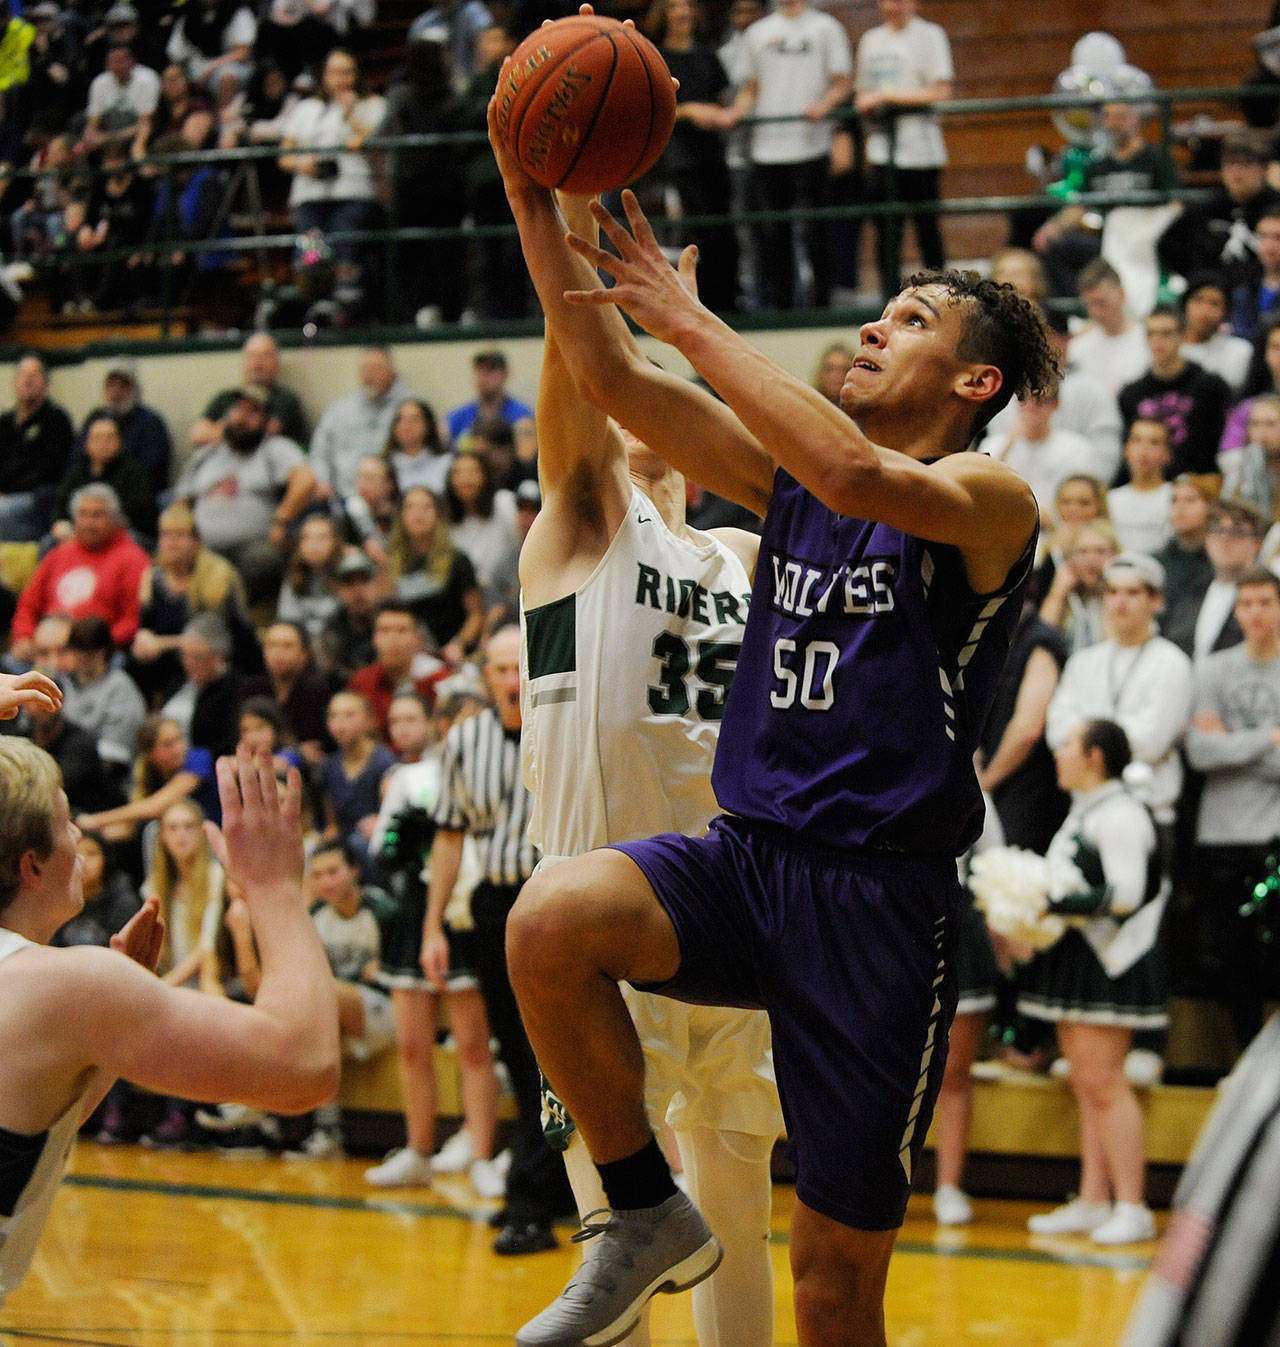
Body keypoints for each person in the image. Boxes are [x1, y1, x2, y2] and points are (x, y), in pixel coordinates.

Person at [487, 87, 1054, 1346]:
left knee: (830, 1287)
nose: (869, 322)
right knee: (548, 919)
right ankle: (639, 1208)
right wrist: (535, 197)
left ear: (973, 378)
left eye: (907, 319)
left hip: (874, 906)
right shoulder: (785, 482)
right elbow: (601, 371)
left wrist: (690, 318)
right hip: (742, 863)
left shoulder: (987, 497)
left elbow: (855, 473)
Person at [508, 185, 780, 1344]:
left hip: (730, 907)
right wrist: (570, 211)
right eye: (621, 419)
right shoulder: (575, 530)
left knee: (734, 1209)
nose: (641, 443)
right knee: (611, 1242)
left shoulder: (745, 552)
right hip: (595, 915)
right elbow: (585, 366)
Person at [0, 727, 340, 1307]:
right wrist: (274, 888)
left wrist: (100, 1040)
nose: (80, 833)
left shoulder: (64, 993)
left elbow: (24, 1138)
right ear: (31, 865)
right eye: (65, 823)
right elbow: (305, 1066)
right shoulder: (65, 986)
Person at [421, 625, 575, 1255]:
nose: (509, 681)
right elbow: (450, 835)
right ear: (483, 676)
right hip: (494, 904)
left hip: (554, 898)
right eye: (498, 671)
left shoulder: (563, 725)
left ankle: (529, 1199)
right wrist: (433, 923)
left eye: (518, 669)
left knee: (546, 1055)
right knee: (517, 1053)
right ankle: (548, 1185)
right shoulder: (466, 741)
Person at [1020, 718, 1166, 1246]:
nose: (1057, 753)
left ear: (1095, 757)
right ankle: (1092, 1198)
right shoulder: (1088, 811)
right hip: (1082, 960)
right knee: (1087, 1086)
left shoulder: (1121, 813)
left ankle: (1132, 1205)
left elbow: (1125, 894)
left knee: (1106, 1085)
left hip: (1113, 964)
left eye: (1067, 745)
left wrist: (1052, 902)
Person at [364, 691, 502, 1193]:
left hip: (469, 915)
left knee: (472, 1045)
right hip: (417, 913)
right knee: (412, 1045)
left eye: (476, 722)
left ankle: (483, 1154)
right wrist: (407, 836)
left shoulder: (496, 775)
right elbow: (383, 848)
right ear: (443, 727)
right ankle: (418, 1150)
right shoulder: (410, 778)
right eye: (459, 723)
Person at [1181, 566, 1280, 1056]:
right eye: (1247, 604)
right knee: (1232, 958)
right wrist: (1268, 738)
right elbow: (1200, 753)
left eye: (1265, 602)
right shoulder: (1213, 669)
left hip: (1273, 835)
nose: (1255, 613)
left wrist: (1232, 743)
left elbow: (1219, 748)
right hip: (1221, 834)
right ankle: (1244, 1060)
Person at [728, 0, 852, 310]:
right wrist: (736, 113)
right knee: (773, 235)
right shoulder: (757, 32)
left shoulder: (826, 28)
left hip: (811, 146)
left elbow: (842, 83)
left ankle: (822, 302)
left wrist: (824, 104)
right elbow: (751, 88)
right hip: (766, 149)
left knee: (816, 231)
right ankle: (782, 303)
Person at [172, 386, 317, 607]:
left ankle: (230, 618)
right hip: (203, 547)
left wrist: (281, 520)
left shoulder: (275, 449)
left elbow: (306, 481)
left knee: (263, 562)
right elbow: (180, 504)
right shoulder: (206, 454)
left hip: (252, 546)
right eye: (238, 410)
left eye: (253, 412)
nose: (242, 418)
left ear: (267, 422)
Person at [855, 0, 953, 296]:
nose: (891, 6)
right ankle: (889, 298)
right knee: (886, 234)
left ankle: (942, 296)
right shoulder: (871, 40)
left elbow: (940, 91)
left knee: (928, 231)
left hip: (921, 150)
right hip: (882, 152)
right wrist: (870, 103)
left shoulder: (930, 35)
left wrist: (889, 98)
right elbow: (862, 93)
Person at [129, 502, 261, 707]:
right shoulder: (154, 578)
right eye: (165, 535)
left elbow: (218, 637)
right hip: (170, 664)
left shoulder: (217, 575)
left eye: (180, 535)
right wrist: (143, 640)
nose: (171, 542)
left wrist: (162, 644)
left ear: (197, 541)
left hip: (218, 662)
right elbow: (146, 626)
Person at [10, 484, 150, 665]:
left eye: (97, 515)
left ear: (115, 519)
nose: (89, 523)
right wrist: (24, 636)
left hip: (96, 654)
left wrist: (87, 647)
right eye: (83, 514)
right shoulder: (58, 554)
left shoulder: (133, 559)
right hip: (44, 649)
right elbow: (28, 604)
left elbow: (131, 621)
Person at [1158, 131, 1280, 298]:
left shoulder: (1275, 207)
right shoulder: (1204, 209)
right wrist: (1198, 279)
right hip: (1213, 296)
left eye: (1246, 164)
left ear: (1265, 169)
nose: (1237, 172)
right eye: (1230, 164)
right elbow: (1167, 246)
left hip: (1265, 296)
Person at [1117, 305, 1232, 480]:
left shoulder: (1210, 387)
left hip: (1198, 485)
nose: (1157, 340)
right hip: (1149, 483)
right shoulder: (1131, 394)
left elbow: (1217, 445)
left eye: (1166, 333)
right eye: (1151, 333)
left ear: (1183, 336)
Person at [384, 488, 485, 662]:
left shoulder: (458, 560)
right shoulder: (391, 562)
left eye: (426, 507)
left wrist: (458, 644)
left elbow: (475, 614)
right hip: (409, 655)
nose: (418, 514)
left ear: (438, 514)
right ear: (401, 515)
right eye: (411, 507)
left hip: (451, 655)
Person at [309, 347, 413, 499]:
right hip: (340, 497)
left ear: (392, 372)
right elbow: (319, 453)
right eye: (365, 369)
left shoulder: (409, 409)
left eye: (376, 369)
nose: (369, 375)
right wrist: (323, 482)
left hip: (394, 499)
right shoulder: (338, 410)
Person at [60, 614, 147, 790]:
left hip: (105, 783)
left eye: (89, 653)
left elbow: (114, 757)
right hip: (62, 767)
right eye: (77, 651)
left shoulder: (121, 689)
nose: (82, 659)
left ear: (103, 652)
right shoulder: (63, 683)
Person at [189, 332, 310, 451]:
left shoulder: (285, 399)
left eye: (265, 356)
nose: (257, 364)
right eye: (252, 356)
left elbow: (259, 433)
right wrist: (238, 428)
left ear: (277, 363)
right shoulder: (226, 397)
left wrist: (220, 428)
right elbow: (197, 435)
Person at [0, 353, 75, 543]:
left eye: (34, 375)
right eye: (23, 374)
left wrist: (7, 493)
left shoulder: (56, 420)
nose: (28, 380)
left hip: (36, 498)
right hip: (5, 495)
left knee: (3, 511)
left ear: (46, 384)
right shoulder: (5, 422)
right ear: (15, 383)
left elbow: (48, 471)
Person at [52, 413, 157, 543]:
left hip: (121, 534)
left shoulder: (133, 472)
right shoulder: (78, 472)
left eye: (109, 438)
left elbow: (142, 514)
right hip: (80, 534)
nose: (103, 443)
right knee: (50, 542)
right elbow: (60, 509)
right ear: (87, 443)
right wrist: (61, 526)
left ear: (119, 442)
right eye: (98, 438)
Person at [240, 621, 332, 764]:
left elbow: (313, 749)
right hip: (262, 761)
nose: (278, 653)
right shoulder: (253, 687)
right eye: (272, 645)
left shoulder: (316, 687)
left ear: (305, 654)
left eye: (287, 646)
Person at [74, 365, 173, 486]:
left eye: (123, 385)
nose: (116, 391)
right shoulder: (95, 418)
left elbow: (151, 471)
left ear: (136, 390)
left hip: (134, 491)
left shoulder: (151, 423)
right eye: (111, 385)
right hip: (91, 492)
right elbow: (75, 460)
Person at [1066, 260, 1152, 398]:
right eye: (1089, 304)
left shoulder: (1147, 341)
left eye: (1101, 302)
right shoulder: (1078, 346)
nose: (1095, 312)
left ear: (1121, 294)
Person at [1178, 273, 1253, 395]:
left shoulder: (1240, 351)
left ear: (1225, 311)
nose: (1205, 310)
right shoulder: (1165, 347)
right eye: (1198, 300)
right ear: (1185, 304)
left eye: (1214, 303)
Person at [1108, 418, 1174, 555]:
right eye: (1136, 440)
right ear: (1126, 450)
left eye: (1154, 442)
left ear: (1167, 454)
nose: (1143, 450)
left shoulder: (1176, 498)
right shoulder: (1110, 499)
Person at [445, 348, 532, 446]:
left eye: (490, 369)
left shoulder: (522, 417)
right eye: (479, 369)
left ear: (505, 374)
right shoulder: (458, 416)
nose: (483, 375)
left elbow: (526, 455)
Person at [383, 397, 452, 498]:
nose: (406, 425)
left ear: (428, 426)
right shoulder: (384, 467)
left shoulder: (446, 464)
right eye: (400, 419)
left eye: (414, 420)